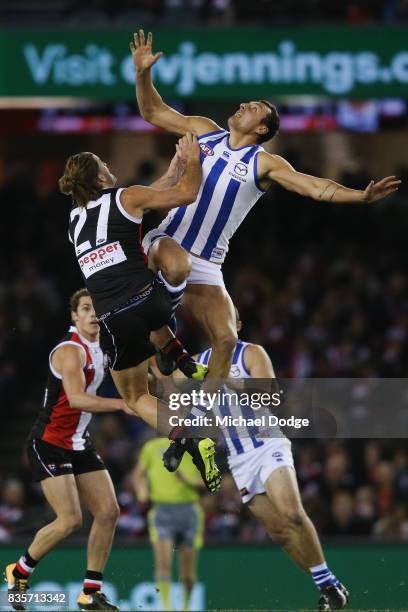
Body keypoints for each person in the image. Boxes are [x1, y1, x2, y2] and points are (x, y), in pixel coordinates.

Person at [131, 30, 401, 383]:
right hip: (168, 240)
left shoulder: (264, 163)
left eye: (253, 107)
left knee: (227, 340)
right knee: (176, 267)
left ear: (261, 128)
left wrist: (360, 196)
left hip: (209, 261)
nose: (243, 105)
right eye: (246, 103)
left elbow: (316, 188)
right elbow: (152, 110)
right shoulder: (204, 131)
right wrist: (142, 73)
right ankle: (163, 335)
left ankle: (198, 420)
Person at [59, 135, 221, 494]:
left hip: (116, 319)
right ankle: (175, 348)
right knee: (159, 260)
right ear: (100, 178)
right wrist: (190, 162)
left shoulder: (73, 220)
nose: (110, 167)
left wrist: (171, 171)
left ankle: (191, 440)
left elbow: (139, 199)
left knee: (137, 398)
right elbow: (183, 195)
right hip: (153, 300)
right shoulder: (126, 196)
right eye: (104, 163)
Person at [172, 308, 350, 611]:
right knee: (279, 532)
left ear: (236, 325)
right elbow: (169, 382)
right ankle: (328, 586)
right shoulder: (198, 363)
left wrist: (229, 380)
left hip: (268, 444)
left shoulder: (251, 353)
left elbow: (273, 396)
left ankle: (331, 585)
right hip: (239, 458)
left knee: (292, 514)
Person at [5, 289, 129, 611]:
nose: (92, 314)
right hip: (49, 444)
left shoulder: (103, 348)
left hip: (77, 442)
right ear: (74, 317)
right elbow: (76, 399)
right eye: (85, 308)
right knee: (71, 520)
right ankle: (18, 571)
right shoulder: (70, 351)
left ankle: (90, 591)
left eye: (96, 308)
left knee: (109, 512)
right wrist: (123, 404)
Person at [133, 436, 204, 612]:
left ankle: (186, 607)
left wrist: (189, 481)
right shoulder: (152, 447)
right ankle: (166, 608)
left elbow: (211, 482)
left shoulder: (198, 447)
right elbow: (137, 475)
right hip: (162, 511)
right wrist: (142, 493)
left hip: (189, 511)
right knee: (163, 563)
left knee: (187, 573)